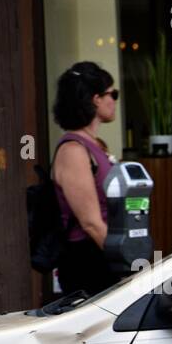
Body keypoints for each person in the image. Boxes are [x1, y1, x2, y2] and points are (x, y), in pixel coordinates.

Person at [51, 62, 118, 297]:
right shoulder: (73, 150)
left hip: (102, 254)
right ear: (96, 99)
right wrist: (127, 265)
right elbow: (91, 222)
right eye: (113, 94)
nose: (115, 101)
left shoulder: (94, 145)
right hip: (89, 262)